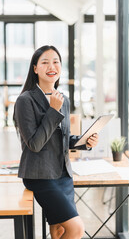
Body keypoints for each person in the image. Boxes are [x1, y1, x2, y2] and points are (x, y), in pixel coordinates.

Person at [13, 45, 99, 239]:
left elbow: (62, 138)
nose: (51, 66)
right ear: (35, 68)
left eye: (56, 62)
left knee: (59, 230)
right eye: (45, 62)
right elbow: (34, 144)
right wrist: (53, 110)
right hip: (40, 175)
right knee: (76, 228)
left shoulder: (63, 99)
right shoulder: (25, 101)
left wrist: (84, 142)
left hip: (63, 174)